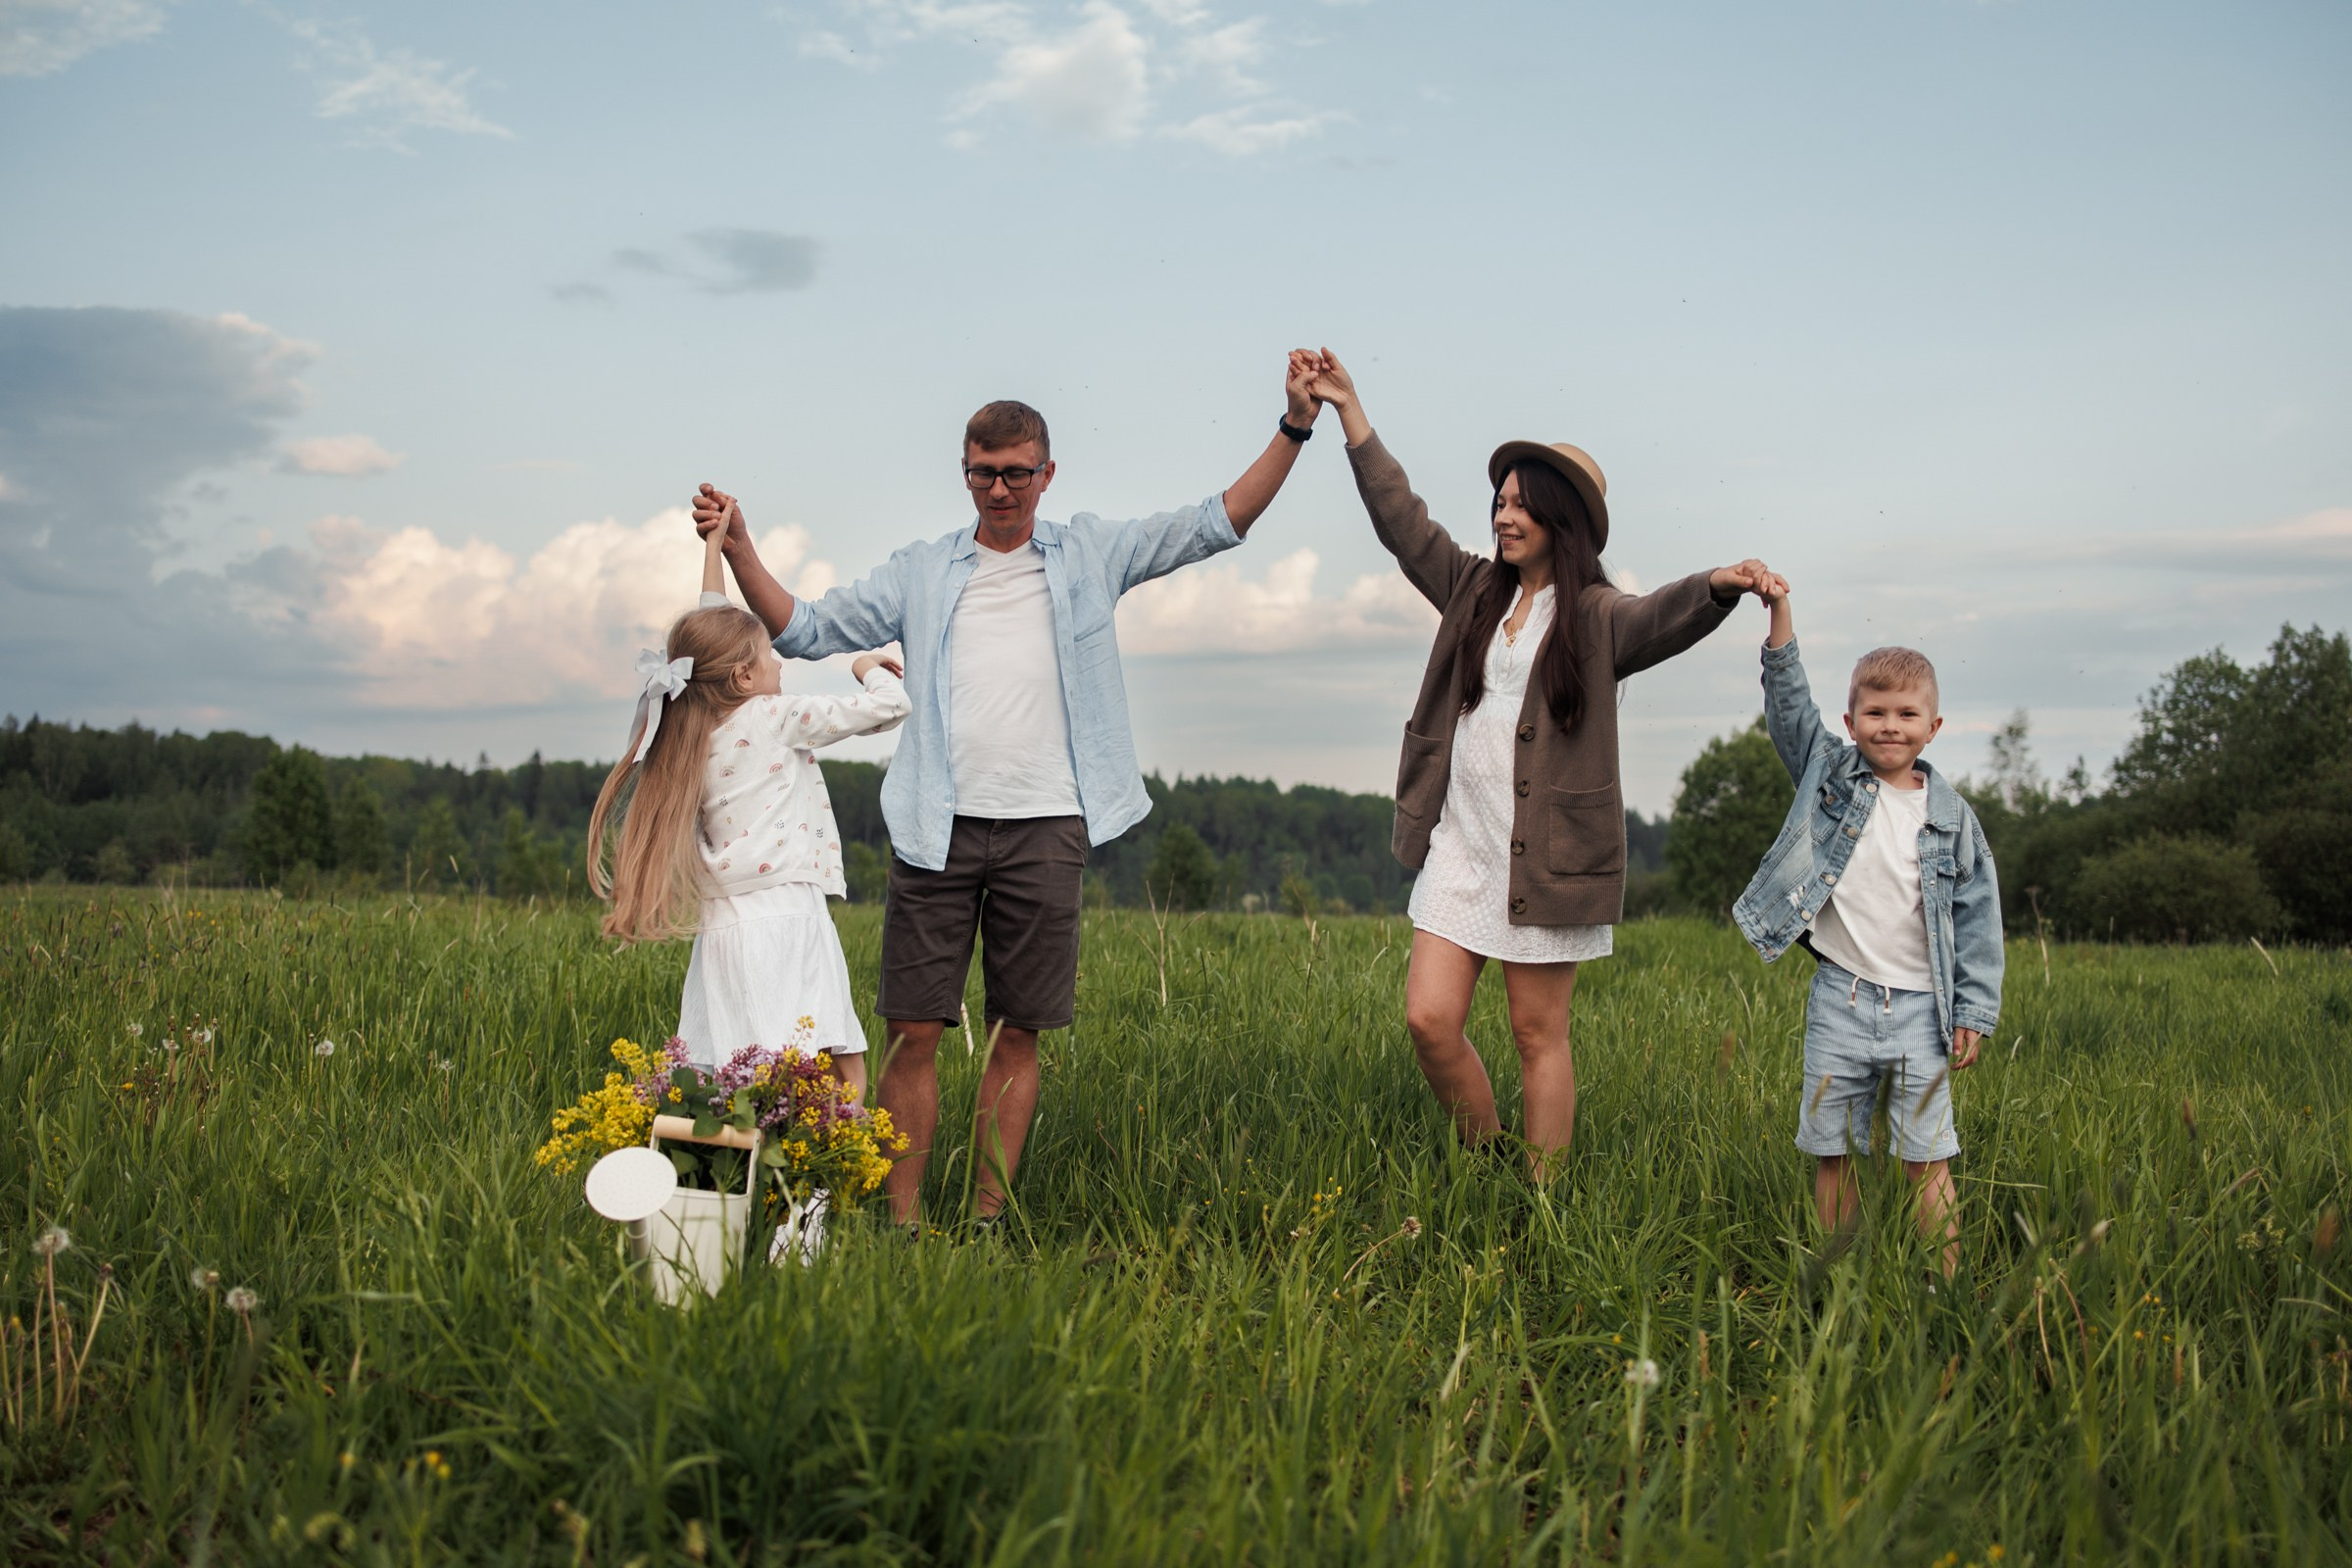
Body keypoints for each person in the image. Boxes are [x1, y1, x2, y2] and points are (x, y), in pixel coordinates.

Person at [691, 352, 1326, 1225]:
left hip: (1047, 824)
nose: (1000, 490)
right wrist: (741, 547)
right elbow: (801, 629)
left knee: (1014, 1031)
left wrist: (1294, 426)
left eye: (1017, 474)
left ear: (1046, 473)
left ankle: (989, 1223)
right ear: (965, 474)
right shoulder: (922, 569)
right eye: (984, 474)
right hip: (935, 826)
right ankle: (903, 1224)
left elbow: (1217, 521)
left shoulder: (1092, 553)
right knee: (915, 1031)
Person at [1304, 350, 1776, 1176]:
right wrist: (1351, 412)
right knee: (1429, 1020)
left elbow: (1659, 616)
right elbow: (1401, 520)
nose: (1505, 516)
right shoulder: (1471, 590)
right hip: (1462, 847)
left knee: (1536, 1035)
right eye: (1501, 501)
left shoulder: (1594, 616)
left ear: (1567, 522)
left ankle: (1544, 1201)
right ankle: (1488, 1164)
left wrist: (1718, 585)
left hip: (1549, 857)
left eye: (1525, 506)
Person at [1734, 580, 2003, 1275]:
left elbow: (1978, 918)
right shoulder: (1829, 774)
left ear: (1933, 728)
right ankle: (1836, 1276)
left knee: (1927, 1157)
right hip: (1841, 1002)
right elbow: (1789, 709)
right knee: (1834, 1150)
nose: (1890, 725)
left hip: (1924, 1012)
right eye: (1875, 712)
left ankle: (1946, 1289)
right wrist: (1780, 620)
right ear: (1850, 723)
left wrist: (1974, 1009)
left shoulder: (1952, 818)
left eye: (1907, 713)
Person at [584, 530, 909, 1097]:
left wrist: (715, 547)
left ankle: (728, 1182)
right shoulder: (774, 717)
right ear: (743, 677)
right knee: (838, 1065)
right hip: (787, 916)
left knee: (735, 1081)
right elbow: (891, 706)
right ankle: (821, 1187)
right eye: (769, 657)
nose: (780, 663)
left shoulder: (686, 730)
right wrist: (868, 667)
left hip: (727, 930)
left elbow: (707, 635)